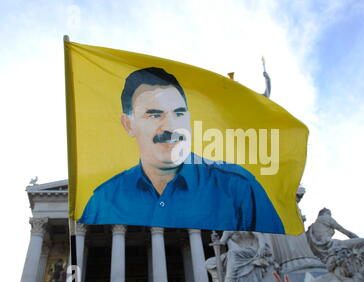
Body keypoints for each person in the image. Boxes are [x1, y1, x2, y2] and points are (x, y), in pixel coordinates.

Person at [78, 67, 284, 233]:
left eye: (179, 113)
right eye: (154, 114)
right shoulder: (103, 200)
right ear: (128, 125)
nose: (170, 127)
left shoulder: (238, 186)